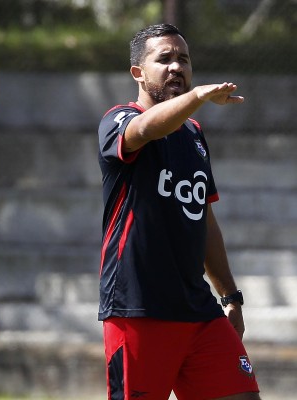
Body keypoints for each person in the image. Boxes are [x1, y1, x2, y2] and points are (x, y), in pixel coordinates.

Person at [97, 24, 261, 400]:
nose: (176, 67)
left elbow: (202, 217)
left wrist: (231, 297)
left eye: (183, 59)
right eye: (164, 59)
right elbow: (145, 129)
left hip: (199, 310)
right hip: (137, 308)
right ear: (137, 72)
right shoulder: (118, 119)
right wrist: (198, 97)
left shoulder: (193, 134)